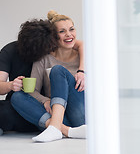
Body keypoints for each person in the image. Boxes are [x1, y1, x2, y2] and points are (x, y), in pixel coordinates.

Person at [0, 19, 85, 139]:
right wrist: (11, 85)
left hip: (38, 109)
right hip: (19, 102)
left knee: (6, 114)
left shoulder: (47, 48)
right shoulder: (9, 51)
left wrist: (81, 70)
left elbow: (74, 42)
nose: (42, 52)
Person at [11, 10, 86, 143]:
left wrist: (83, 72)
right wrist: (45, 100)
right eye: (62, 31)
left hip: (81, 114)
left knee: (58, 70)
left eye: (71, 29)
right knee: (17, 96)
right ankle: (65, 130)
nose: (69, 34)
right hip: (61, 117)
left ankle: (55, 127)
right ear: (53, 37)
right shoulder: (44, 59)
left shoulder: (84, 56)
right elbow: (32, 90)